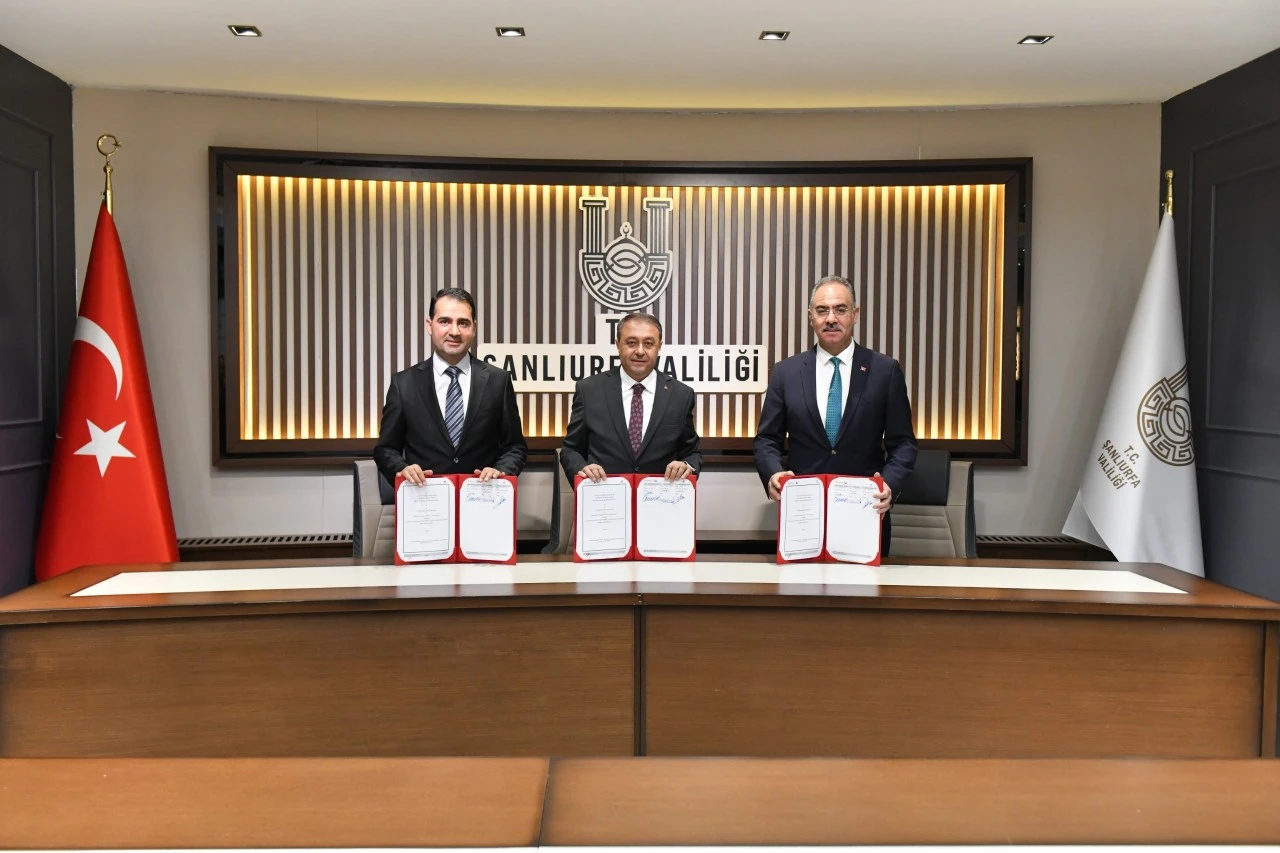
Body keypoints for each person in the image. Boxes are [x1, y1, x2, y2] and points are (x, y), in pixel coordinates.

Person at [753, 275, 917, 550]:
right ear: (811, 317)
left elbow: (903, 443)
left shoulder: (884, 371)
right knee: (802, 580)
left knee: (864, 581)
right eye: (822, 310)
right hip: (803, 514)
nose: (831, 318)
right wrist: (772, 474)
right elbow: (767, 439)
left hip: (866, 511)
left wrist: (890, 483)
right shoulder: (786, 372)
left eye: (840, 309)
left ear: (855, 314)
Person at [374, 288, 527, 486]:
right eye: (444, 321)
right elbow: (386, 449)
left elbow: (515, 447)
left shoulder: (498, 381)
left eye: (463, 323)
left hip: (483, 498)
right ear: (429, 325)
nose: (454, 332)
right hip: (424, 498)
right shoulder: (403, 384)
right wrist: (402, 469)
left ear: (474, 328)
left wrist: (501, 471)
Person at [560, 312, 701, 482]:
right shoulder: (589, 390)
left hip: (660, 496)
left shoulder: (681, 395)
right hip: (604, 494)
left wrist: (686, 466)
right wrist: (581, 469)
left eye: (648, 344)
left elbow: (692, 453)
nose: (640, 351)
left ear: (659, 347)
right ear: (618, 344)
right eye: (631, 343)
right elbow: (571, 449)